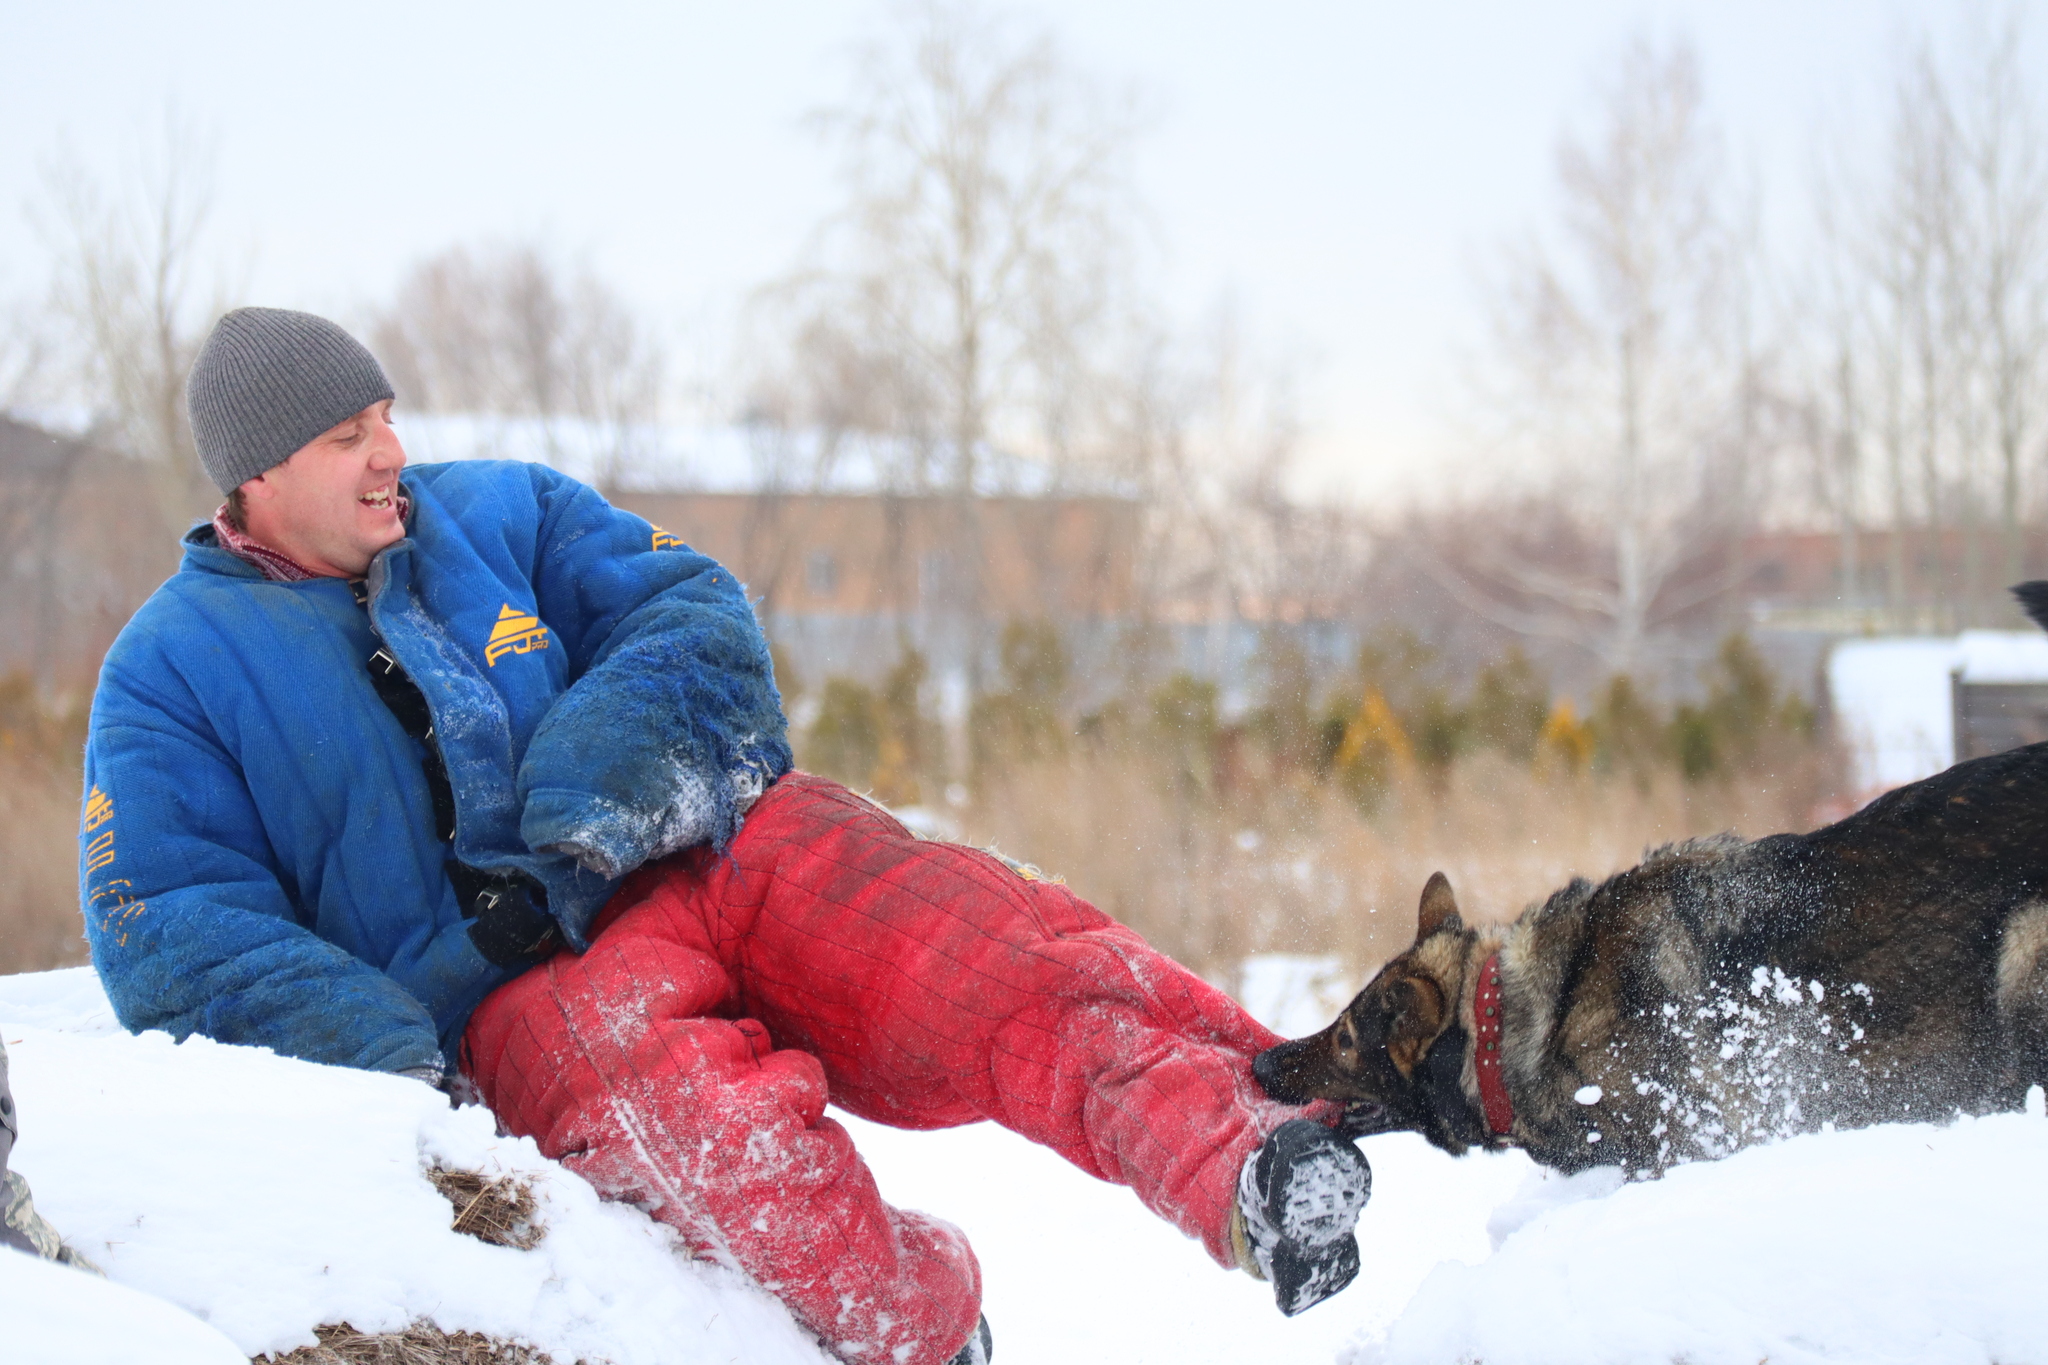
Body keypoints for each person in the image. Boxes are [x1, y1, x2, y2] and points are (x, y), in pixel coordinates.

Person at [78, 308, 1371, 1365]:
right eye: (348, 435)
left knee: (982, 956)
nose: (389, 454)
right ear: (255, 475)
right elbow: (176, 926)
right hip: (533, 1002)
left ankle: (1256, 1145)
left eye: (388, 418)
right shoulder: (169, 674)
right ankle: (933, 1326)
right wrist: (399, 1060)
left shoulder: (503, 511)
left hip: (707, 850)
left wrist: (600, 796)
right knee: (743, 1166)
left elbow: (687, 609)